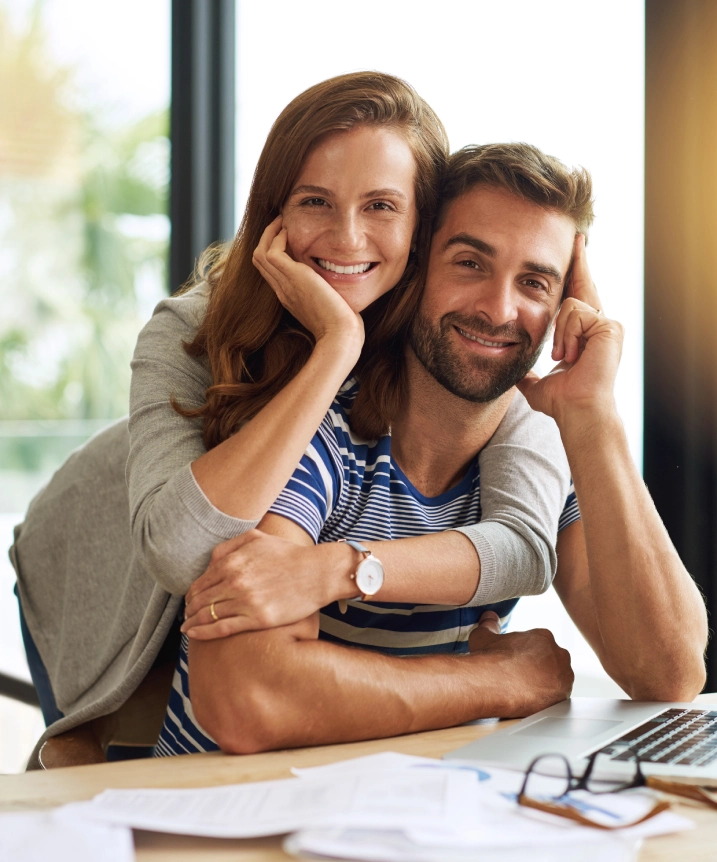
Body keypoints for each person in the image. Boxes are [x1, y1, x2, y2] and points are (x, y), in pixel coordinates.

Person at [11, 74, 568, 758]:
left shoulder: (436, 332)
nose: (345, 237)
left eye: (381, 206)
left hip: (229, 592)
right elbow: (181, 553)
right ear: (271, 210)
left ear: (422, 226)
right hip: (108, 567)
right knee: (100, 756)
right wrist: (336, 348)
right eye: (314, 201)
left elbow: (521, 547)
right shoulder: (190, 328)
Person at [154, 143, 708, 757]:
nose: (499, 310)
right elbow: (248, 699)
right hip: (221, 824)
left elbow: (670, 674)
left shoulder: (547, 453)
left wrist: (593, 414)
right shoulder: (324, 427)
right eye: (470, 263)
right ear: (417, 267)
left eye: (534, 282)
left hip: (400, 824)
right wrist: (502, 680)